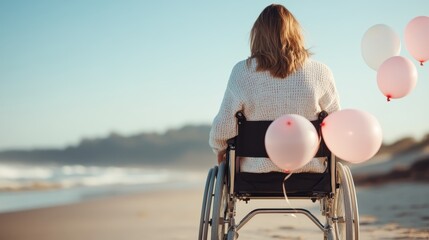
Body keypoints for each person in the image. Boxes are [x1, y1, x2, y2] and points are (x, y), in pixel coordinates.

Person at [209, 4, 340, 173]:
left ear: (257, 36)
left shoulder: (242, 72)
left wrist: (218, 149)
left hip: (254, 171)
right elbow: (337, 122)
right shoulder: (321, 72)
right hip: (311, 168)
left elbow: (222, 129)